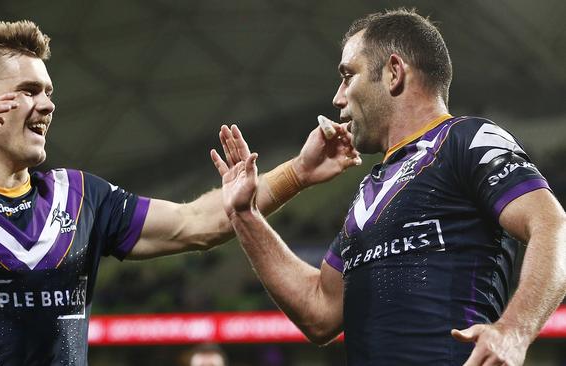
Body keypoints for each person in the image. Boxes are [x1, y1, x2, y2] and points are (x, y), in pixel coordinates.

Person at [0, 21, 360, 365]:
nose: (48, 105)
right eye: (29, 91)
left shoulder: (79, 196)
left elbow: (198, 223)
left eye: (49, 92)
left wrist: (298, 172)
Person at [217, 8, 566, 366]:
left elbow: (553, 225)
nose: (338, 98)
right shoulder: (370, 192)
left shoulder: (467, 139)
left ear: (394, 73)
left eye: (348, 76)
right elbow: (319, 311)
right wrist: (244, 215)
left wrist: (515, 330)